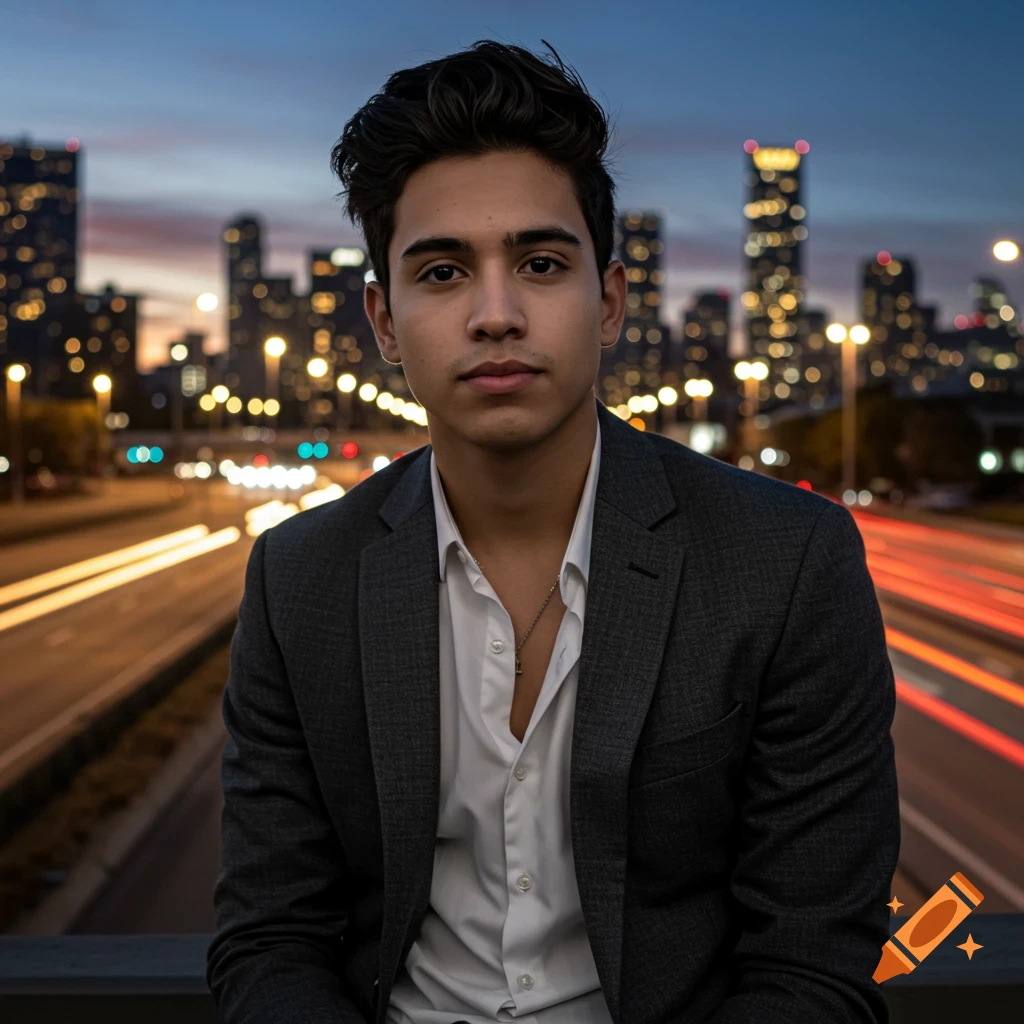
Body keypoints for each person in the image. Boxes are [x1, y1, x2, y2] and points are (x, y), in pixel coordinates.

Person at [207, 39, 900, 1024]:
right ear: (385, 322)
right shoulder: (298, 578)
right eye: (442, 271)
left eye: (539, 263)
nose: (495, 314)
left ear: (608, 300)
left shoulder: (785, 561)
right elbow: (271, 939)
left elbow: (811, 967)